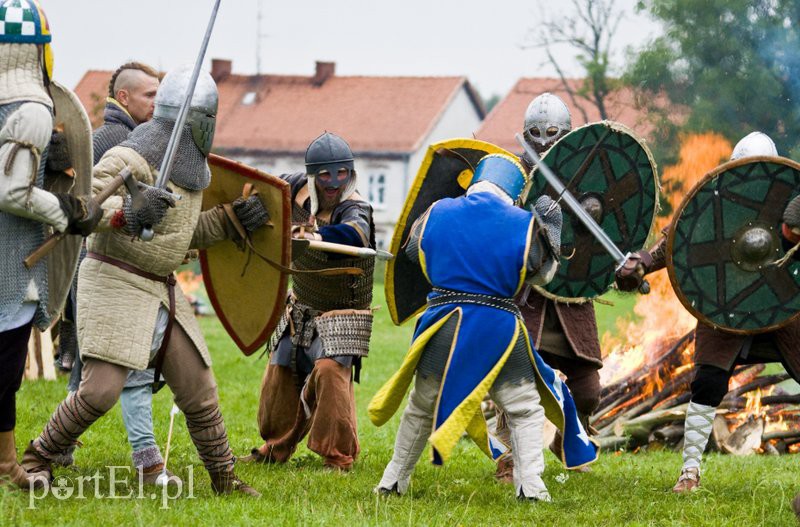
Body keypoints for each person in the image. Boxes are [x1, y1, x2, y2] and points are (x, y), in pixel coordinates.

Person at [21, 66, 267, 496]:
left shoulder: (190, 170)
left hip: (160, 287)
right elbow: (85, 208)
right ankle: (37, 459)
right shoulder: (132, 156)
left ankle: (224, 479)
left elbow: (181, 236)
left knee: (200, 389)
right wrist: (130, 211)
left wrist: (230, 221)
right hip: (116, 278)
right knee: (100, 391)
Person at [370, 153, 597, 502]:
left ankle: (393, 481)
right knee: (523, 407)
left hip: (442, 322)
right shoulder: (522, 222)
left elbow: (415, 252)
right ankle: (531, 488)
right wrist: (550, 232)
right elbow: (540, 275)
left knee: (421, 404)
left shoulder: (438, 211)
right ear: (515, 190)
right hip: (498, 329)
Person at [616, 131, 800, 493]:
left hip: (782, 308)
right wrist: (643, 262)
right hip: (726, 308)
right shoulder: (717, 199)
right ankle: (690, 472)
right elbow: (677, 236)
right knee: (707, 383)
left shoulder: (790, 200)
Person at [0, 0, 102, 490]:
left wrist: (55, 172)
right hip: (11, 265)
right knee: (3, 372)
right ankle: (4, 465)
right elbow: (10, 191)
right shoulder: (30, 109)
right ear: (37, 51)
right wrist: (64, 210)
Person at [57, 62, 171, 485]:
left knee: (91, 368)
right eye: (149, 96)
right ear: (123, 98)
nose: (157, 103)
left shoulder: (132, 139)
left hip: (109, 265)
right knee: (119, 368)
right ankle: (142, 458)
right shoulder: (112, 140)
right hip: (100, 265)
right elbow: (79, 207)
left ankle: (60, 446)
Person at [243, 132, 375, 471]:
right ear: (313, 175)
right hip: (300, 305)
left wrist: (315, 235)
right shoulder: (295, 187)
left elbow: (356, 233)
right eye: (326, 175)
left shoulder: (355, 206)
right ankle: (276, 447)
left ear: (351, 173)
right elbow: (259, 187)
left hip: (343, 310)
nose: (333, 183)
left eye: (341, 173)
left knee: (331, 372)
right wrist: (253, 209)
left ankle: (337, 455)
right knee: (281, 366)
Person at [495, 93, 603, 481]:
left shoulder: (586, 176)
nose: (543, 141)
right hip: (527, 297)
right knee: (517, 381)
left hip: (572, 298)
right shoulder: (510, 176)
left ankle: (568, 437)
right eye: (536, 134)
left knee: (588, 391)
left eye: (552, 134)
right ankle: (508, 456)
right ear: (525, 135)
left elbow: (604, 232)